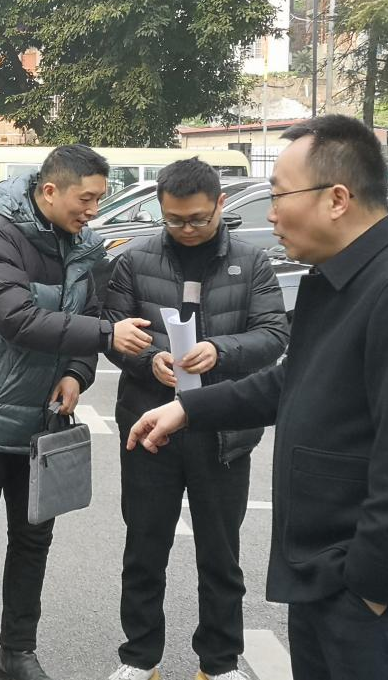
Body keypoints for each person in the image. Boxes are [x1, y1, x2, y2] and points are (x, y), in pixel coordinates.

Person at [127, 116, 388, 680]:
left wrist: (370, 589)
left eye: (279, 195)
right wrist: (188, 408)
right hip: (326, 574)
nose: (270, 214)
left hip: (371, 594)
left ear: (336, 199)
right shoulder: (345, 278)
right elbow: (292, 381)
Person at [0, 145, 154, 680]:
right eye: (86, 199)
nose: (93, 211)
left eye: (99, 199)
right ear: (50, 191)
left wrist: (76, 373)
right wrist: (106, 336)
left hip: (42, 423)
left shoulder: (85, 245)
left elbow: (88, 314)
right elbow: (18, 319)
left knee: (32, 541)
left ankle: (18, 652)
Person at [103, 158, 288, 680]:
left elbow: (274, 334)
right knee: (144, 548)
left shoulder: (251, 262)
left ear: (221, 205)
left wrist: (220, 350)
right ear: (160, 210)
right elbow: (112, 331)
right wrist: (148, 359)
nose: (187, 229)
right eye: (174, 219)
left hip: (223, 430)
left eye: (199, 219)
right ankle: (140, 658)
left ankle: (219, 662)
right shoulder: (134, 261)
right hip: (150, 426)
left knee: (221, 554)